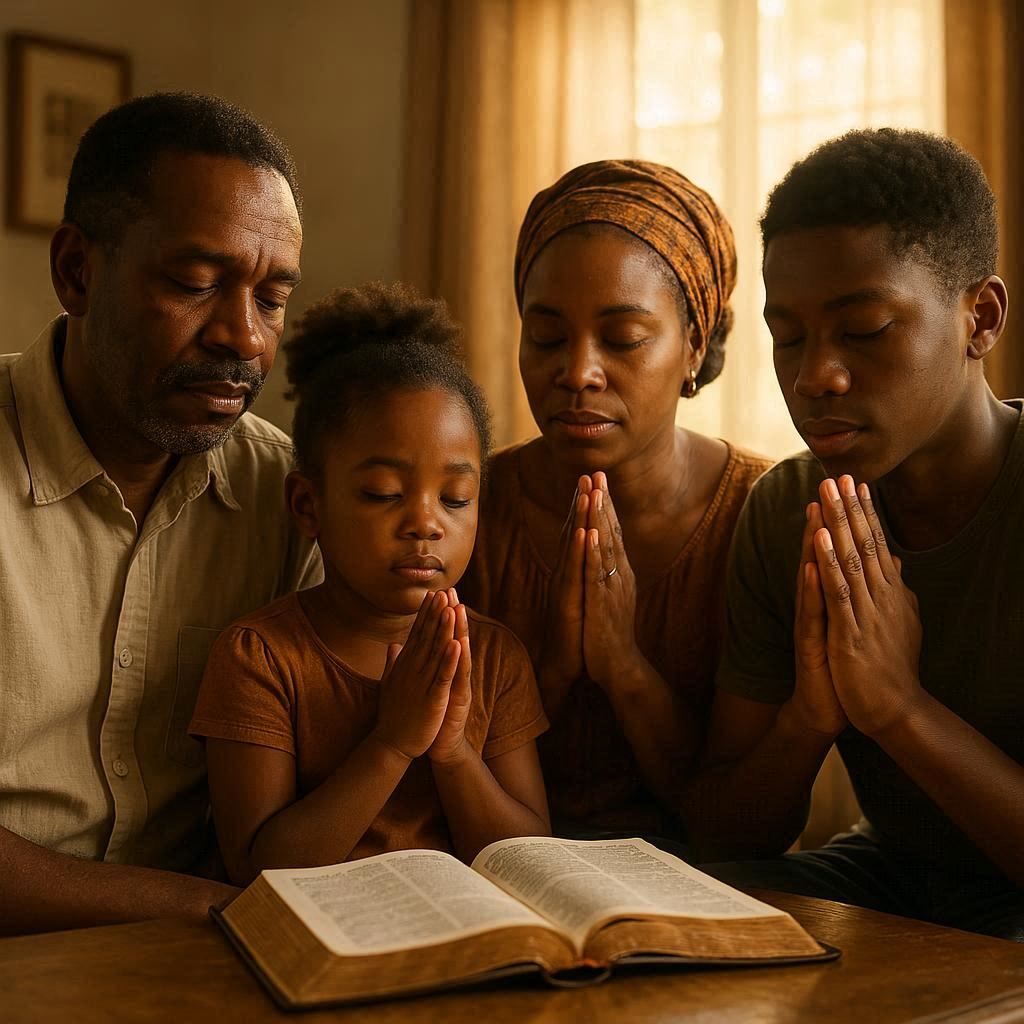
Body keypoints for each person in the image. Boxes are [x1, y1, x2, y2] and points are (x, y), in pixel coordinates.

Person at [0, 92, 320, 936]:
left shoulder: (290, 498)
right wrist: (209, 908)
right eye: (196, 283)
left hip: (204, 970)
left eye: (272, 298)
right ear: (77, 271)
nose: (244, 338)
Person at [692, 129, 1024, 941]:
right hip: (891, 872)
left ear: (979, 318)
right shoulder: (788, 511)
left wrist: (898, 709)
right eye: (788, 337)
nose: (816, 377)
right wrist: (809, 718)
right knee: (687, 908)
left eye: (867, 328)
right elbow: (729, 837)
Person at [189, 283, 550, 883]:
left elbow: (533, 858)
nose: (426, 523)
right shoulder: (261, 658)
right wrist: (393, 744)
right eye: (384, 494)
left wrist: (452, 751)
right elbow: (257, 867)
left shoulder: (494, 658)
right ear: (308, 505)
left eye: (455, 498)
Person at [463, 160, 771, 840]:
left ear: (694, 346)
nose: (577, 373)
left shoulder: (761, 513)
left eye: (624, 339)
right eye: (546, 337)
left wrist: (623, 668)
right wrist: (553, 668)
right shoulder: (464, 505)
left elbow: (750, 824)